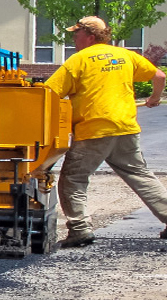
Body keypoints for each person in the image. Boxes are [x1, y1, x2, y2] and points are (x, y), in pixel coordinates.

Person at [45, 16, 167, 247]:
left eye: (77, 32)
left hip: (94, 129)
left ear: (90, 36)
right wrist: (154, 98)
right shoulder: (125, 55)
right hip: (125, 128)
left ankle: (80, 229)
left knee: (73, 179)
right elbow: (159, 76)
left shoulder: (78, 60)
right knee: (141, 176)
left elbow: (47, 94)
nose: (73, 37)